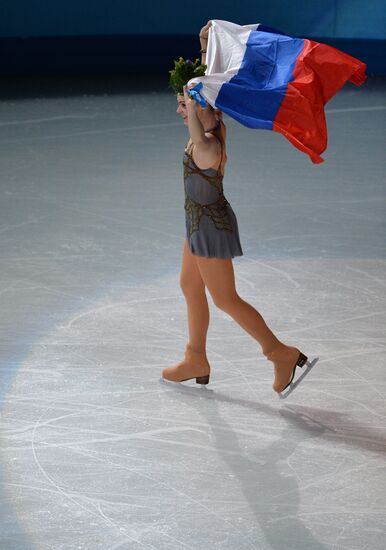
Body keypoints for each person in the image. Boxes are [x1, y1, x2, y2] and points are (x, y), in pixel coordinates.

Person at [162, 22, 308, 393]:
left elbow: (198, 127)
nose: (181, 111)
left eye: (184, 106)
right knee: (188, 285)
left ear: (202, 109)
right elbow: (208, 96)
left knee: (225, 298)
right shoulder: (214, 128)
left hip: (209, 228)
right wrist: (207, 46)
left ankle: (280, 353)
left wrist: (194, 97)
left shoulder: (207, 144)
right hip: (197, 223)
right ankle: (195, 356)